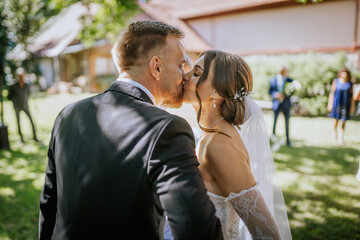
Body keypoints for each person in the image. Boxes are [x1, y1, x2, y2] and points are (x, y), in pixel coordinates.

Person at [38, 21, 223, 240]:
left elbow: (49, 206)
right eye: (181, 65)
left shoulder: (68, 115)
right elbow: (196, 230)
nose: (185, 76)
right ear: (157, 67)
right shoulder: (167, 130)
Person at [178, 50, 292, 239]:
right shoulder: (211, 134)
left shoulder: (220, 145)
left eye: (196, 73)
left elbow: (267, 234)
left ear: (218, 91)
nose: (185, 76)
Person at [7, 68, 38, 143]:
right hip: (17, 106)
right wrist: (15, 101)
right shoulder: (13, 85)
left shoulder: (26, 85)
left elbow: (28, 94)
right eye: (20, 76)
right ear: (17, 76)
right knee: (18, 122)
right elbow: (9, 96)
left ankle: (35, 138)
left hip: (25, 106)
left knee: (31, 121)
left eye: (22, 75)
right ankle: (21, 139)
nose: (21, 77)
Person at [327, 67, 354, 145]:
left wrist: (352, 107)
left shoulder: (350, 84)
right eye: (343, 73)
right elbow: (332, 93)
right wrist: (330, 104)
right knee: (336, 120)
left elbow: (351, 96)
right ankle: (334, 132)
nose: (344, 75)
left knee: (344, 121)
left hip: (346, 105)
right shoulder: (336, 81)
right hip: (337, 104)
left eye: (345, 73)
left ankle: (341, 136)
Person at [269, 66, 293, 147]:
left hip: (286, 104)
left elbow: (292, 92)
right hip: (276, 104)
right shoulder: (273, 79)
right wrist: (275, 95)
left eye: (283, 71)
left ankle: (288, 140)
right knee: (275, 121)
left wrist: (285, 96)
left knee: (287, 122)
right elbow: (270, 91)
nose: (282, 72)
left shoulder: (290, 81)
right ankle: (272, 137)